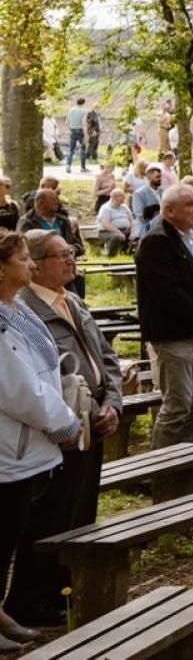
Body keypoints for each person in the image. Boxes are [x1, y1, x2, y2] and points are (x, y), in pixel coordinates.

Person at [9, 231, 119, 628]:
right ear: (35, 263)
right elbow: (30, 381)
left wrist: (113, 405)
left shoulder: (73, 300)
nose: (71, 260)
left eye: (71, 252)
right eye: (62, 254)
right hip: (56, 429)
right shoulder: (22, 309)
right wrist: (69, 420)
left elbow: (105, 358)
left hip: (93, 421)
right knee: (48, 518)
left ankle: (63, 591)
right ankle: (31, 599)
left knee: (80, 512)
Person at [0, 230, 84, 648]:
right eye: (21, 259)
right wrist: (64, 422)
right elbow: (18, 388)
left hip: (31, 445)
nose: (29, 265)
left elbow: (45, 363)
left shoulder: (16, 308)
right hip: (10, 447)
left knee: (10, 535)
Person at [136, 185, 193, 448]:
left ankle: (182, 466)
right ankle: (158, 473)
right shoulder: (156, 241)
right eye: (189, 204)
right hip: (175, 337)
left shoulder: (192, 238)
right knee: (177, 407)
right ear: (169, 210)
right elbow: (168, 292)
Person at [96, 189, 136, 255]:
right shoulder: (106, 208)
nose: (124, 199)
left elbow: (132, 221)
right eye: (122, 197)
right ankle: (111, 256)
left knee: (137, 235)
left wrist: (132, 232)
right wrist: (118, 232)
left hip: (125, 230)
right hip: (107, 232)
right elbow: (106, 224)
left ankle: (128, 253)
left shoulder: (124, 207)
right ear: (115, 197)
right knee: (115, 237)